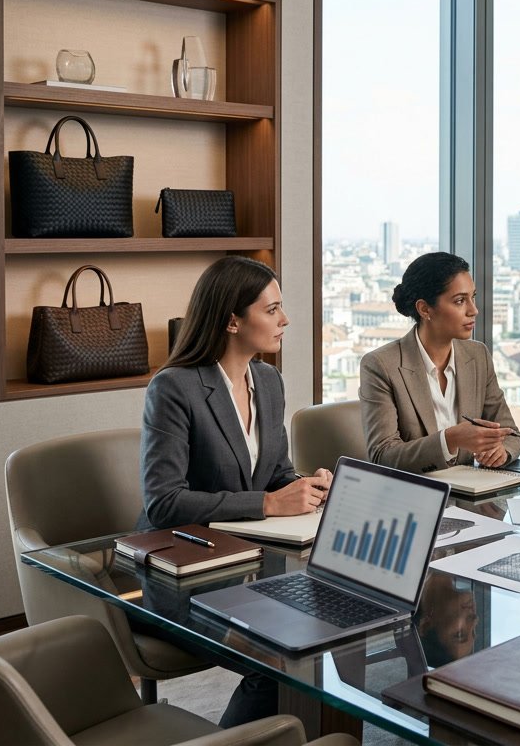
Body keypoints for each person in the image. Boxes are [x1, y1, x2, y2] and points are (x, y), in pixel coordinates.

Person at [138, 255, 331, 726]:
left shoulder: (268, 381)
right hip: (183, 571)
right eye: (272, 309)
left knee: (324, 632)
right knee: (280, 659)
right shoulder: (174, 388)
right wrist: (266, 504)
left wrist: (306, 486)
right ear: (231, 320)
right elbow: (163, 501)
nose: (285, 320)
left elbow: (275, 471)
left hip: (249, 564)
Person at [360, 252, 520, 472]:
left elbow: (511, 434)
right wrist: (450, 440)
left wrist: (501, 451)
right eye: (459, 301)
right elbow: (383, 456)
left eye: (472, 297)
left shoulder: (478, 356)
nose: (473, 310)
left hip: (470, 497)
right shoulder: (381, 365)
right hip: (415, 497)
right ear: (425, 309)